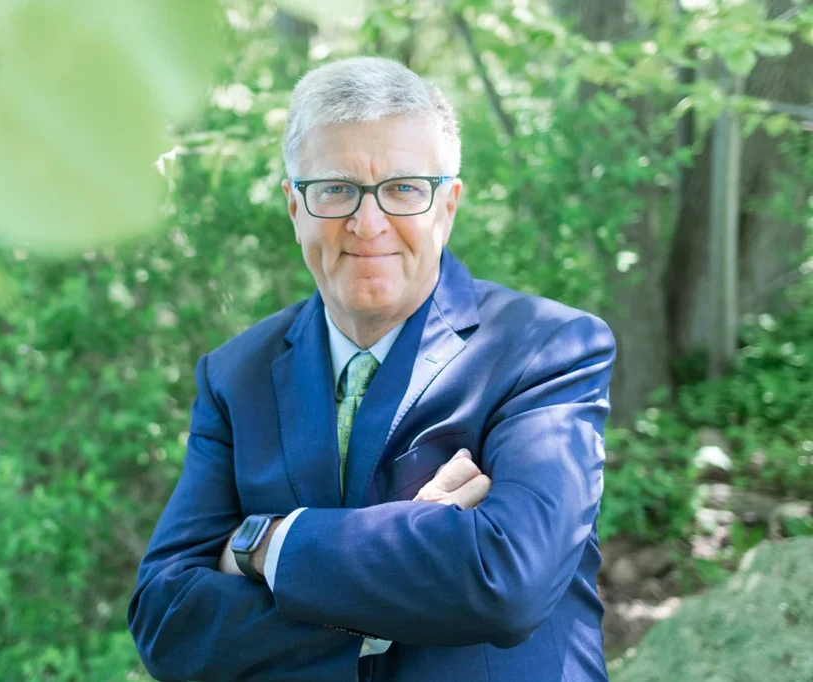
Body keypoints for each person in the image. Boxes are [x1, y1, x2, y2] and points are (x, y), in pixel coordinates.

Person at [128, 56, 616, 682]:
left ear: (447, 206)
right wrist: (416, 556)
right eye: (335, 189)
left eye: (404, 189)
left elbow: (506, 581)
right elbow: (166, 621)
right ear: (294, 206)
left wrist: (266, 544)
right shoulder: (234, 376)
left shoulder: (545, 349)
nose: (367, 223)